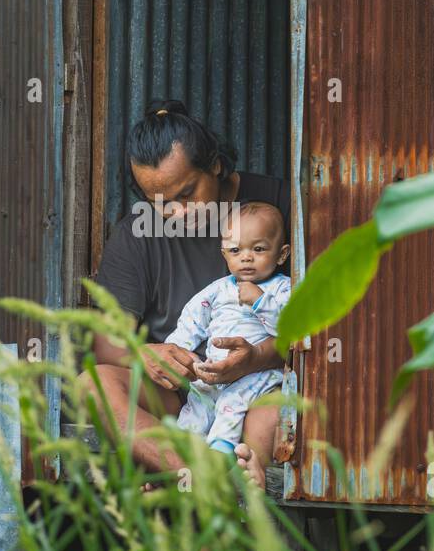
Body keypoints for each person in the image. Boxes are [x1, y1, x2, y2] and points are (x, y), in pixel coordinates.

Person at [80, 99, 290, 489]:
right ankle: (193, 474)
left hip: (263, 384)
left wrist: (255, 358)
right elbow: (106, 350)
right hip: (183, 394)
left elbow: (321, 328)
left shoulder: (278, 206)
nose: (175, 212)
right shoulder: (136, 236)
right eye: (158, 202)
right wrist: (143, 354)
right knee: (93, 383)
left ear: (215, 165)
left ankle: (212, 489)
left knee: (271, 414)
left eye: (186, 193)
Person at [165, 201, 291, 453]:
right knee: (196, 405)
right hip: (213, 371)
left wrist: (260, 302)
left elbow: (290, 331)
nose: (246, 257)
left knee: (231, 405)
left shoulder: (282, 288)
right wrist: (177, 348)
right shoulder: (219, 289)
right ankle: (178, 459)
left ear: (281, 254)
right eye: (235, 250)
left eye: (258, 249)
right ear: (224, 254)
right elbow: (193, 317)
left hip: (257, 375)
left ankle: (221, 453)